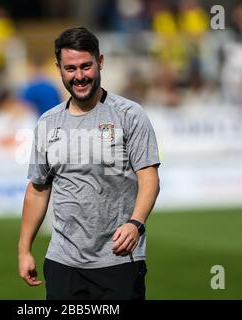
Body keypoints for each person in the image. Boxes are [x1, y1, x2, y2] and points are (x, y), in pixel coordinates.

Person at [18, 27, 160, 300]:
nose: (79, 76)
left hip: (118, 260)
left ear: (101, 62)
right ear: (58, 68)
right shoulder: (48, 122)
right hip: (63, 262)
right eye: (70, 68)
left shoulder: (129, 114)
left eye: (86, 66)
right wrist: (24, 250)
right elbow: (38, 189)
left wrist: (136, 223)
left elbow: (149, 177)